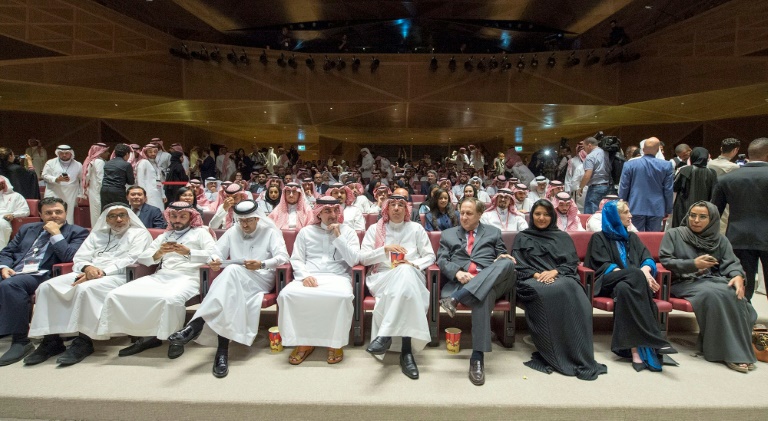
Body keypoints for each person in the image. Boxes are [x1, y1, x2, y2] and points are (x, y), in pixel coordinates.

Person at [168, 200, 289, 378]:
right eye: (241, 221)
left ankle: (196, 324)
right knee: (229, 289)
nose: (245, 225)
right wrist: (215, 261)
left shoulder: (270, 232)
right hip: (235, 280)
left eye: (249, 221)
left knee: (230, 273)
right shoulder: (233, 231)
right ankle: (221, 351)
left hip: (261, 278)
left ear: (257, 218)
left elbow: (282, 257)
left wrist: (262, 263)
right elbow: (216, 252)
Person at [25, 203, 152, 366]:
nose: (118, 219)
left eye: (122, 215)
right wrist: (88, 268)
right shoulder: (97, 234)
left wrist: (101, 272)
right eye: (113, 216)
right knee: (46, 287)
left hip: (119, 275)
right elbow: (79, 257)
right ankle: (51, 340)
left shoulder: (139, 234)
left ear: (129, 217)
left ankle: (84, 341)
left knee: (86, 289)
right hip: (87, 272)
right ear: (106, 219)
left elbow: (133, 259)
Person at [96, 201, 216, 359]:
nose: (177, 219)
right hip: (162, 275)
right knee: (117, 294)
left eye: (182, 216)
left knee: (170, 299)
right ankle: (145, 337)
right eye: (174, 216)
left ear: (190, 217)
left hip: (189, 276)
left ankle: (175, 340)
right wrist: (159, 253)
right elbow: (144, 258)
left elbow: (215, 256)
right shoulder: (165, 235)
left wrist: (189, 252)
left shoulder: (201, 233)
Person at [512, 199, 606, 380]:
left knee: (576, 294)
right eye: (537, 214)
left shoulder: (562, 237)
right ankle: (555, 351)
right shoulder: (522, 237)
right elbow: (519, 266)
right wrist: (537, 275)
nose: (542, 218)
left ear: (552, 216)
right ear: (531, 216)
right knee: (551, 293)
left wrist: (554, 272)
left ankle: (578, 352)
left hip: (561, 276)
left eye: (546, 214)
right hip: (532, 281)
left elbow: (571, 263)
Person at [659, 201, 757, 372]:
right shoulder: (675, 234)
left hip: (712, 281)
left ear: (712, 220)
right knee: (716, 294)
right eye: (693, 215)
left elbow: (732, 262)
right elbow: (666, 260)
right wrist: (693, 264)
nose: (696, 220)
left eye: (702, 217)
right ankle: (732, 355)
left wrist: (737, 276)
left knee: (735, 294)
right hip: (683, 282)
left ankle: (729, 349)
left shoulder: (720, 240)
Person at [584, 200, 676, 372]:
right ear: (614, 217)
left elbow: (646, 258)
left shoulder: (631, 237)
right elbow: (601, 265)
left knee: (626, 289)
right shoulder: (599, 238)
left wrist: (646, 270)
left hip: (628, 286)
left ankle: (633, 349)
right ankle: (657, 340)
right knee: (634, 274)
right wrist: (640, 274)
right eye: (626, 212)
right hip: (607, 282)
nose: (631, 215)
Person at [437, 197, 517, 386]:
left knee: (507, 262)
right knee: (484, 293)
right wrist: (457, 273)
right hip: (462, 281)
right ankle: (477, 358)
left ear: (480, 215)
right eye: (461, 213)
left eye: (469, 213)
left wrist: (501, 258)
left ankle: (455, 299)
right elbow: (442, 260)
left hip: (488, 277)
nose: (463, 217)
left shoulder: (493, 232)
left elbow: (501, 255)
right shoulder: (448, 234)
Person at [0, 197, 88, 365]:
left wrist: (56, 234)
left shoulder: (77, 232)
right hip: (16, 270)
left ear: (65, 213)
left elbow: (71, 257)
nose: (54, 216)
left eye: (58, 212)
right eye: (48, 213)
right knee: (8, 280)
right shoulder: (27, 229)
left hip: (43, 274)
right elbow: (8, 251)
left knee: (10, 285)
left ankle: (21, 340)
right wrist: (3, 266)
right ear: (40, 214)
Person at [277, 197, 361, 365]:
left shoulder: (348, 232)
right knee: (287, 295)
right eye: (327, 211)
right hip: (309, 275)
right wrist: (304, 276)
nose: (333, 214)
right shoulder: (306, 232)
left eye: (336, 210)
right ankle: (303, 343)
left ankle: (334, 343)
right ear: (318, 214)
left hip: (338, 277)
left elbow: (353, 261)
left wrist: (339, 236)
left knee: (343, 297)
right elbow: (297, 259)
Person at [359, 195, 435, 379]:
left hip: (412, 273)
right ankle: (406, 353)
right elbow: (363, 258)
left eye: (401, 205)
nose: (396, 208)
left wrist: (413, 264)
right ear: (386, 209)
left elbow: (430, 256)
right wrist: (383, 250)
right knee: (406, 283)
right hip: (382, 277)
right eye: (392, 205)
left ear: (407, 210)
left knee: (405, 276)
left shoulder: (416, 228)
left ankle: (385, 336)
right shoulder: (374, 230)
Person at [712, 137, 768, 301]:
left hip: (738, 237)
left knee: (741, 285)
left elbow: (714, 211)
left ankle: (743, 322)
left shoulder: (727, 179)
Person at [617, 137, 673, 232]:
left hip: (635, 205)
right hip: (657, 207)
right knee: (653, 239)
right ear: (657, 150)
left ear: (643, 149)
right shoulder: (666, 165)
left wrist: (622, 205)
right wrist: (668, 209)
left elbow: (624, 187)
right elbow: (668, 190)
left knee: (635, 236)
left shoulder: (629, 165)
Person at [671, 147, 717, 228]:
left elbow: (675, 187)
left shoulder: (685, 170)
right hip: (704, 208)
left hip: (683, 207)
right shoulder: (712, 173)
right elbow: (714, 192)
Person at [42, 145, 82, 224]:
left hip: (70, 193)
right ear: (57, 153)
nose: (64, 155)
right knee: (52, 212)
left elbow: (82, 180)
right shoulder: (50, 163)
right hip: (54, 191)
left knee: (68, 214)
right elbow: (44, 175)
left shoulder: (78, 165)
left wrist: (80, 194)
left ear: (71, 154)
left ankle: (67, 232)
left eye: (66, 153)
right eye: (61, 153)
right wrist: (56, 179)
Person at [578, 137, 612, 214]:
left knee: (591, 213)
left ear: (589, 145)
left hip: (595, 188)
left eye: (584, 147)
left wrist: (581, 187)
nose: (584, 150)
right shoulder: (605, 153)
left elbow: (588, 174)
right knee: (603, 212)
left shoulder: (590, 156)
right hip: (607, 186)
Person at [100, 144, 135, 214]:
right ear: (127, 154)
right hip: (118, 191)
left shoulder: (107, 163)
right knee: (122, 211)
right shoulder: (126, 164)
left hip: (104, 190)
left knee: (106, 212)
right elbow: (131, 182)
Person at [81, 143, 110, 227]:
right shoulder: (99, 162)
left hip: (93, 191)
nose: (108, 154)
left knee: (95, 214)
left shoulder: (93, 161)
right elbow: (101, 179)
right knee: (98, 214)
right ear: (100, 152)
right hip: (98, 192)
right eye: (106, 152)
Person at [0, 176, 31, 249]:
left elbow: (25, 211)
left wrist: (13, 215)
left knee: (1, 223)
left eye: (2, 183)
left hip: (4, 219)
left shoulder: (16, 196)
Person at [135, 143, 165, 210]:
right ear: (145, 152)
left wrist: (163, 194)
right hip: (148, 192)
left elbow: (159, 180)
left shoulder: (156, 164)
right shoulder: (143, 162)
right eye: (150, 152)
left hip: (157, 192)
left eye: (155, 152)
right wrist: (142, 194)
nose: (153, 154)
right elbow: (140, 179)